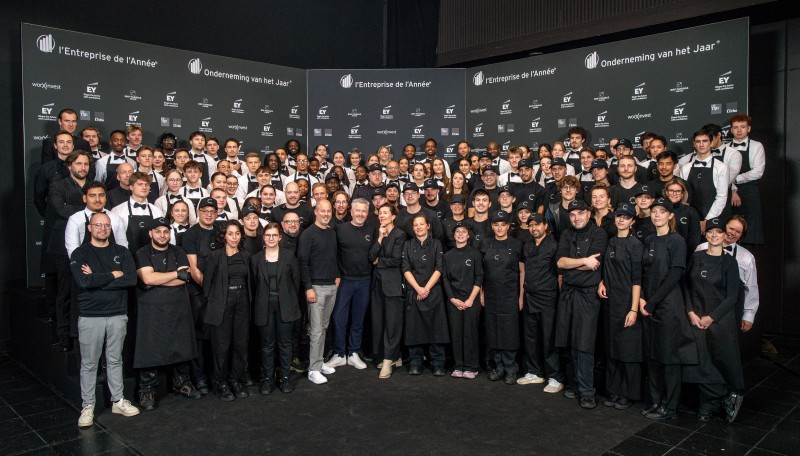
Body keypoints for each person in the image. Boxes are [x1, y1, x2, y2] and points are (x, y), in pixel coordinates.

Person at [71, 212, 140, 428]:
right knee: (89, 363)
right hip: (91, 315)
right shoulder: (80, 253)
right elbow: (83, 281)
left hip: (118, 313)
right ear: (89, 228)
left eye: (106, 225)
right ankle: (88, 406)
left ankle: (118, 400)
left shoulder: (122, 251)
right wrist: (112, 274)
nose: (102, 229)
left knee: (115, 359)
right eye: (98, 225)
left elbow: (131, 279)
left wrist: (97, 279)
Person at [639, 197, 697, 420]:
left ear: (670, 215)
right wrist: (642, 299)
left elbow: (675, 274)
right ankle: (655, 401)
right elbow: (643, 272)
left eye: (662, 211)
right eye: (654, 211)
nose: (656, 215)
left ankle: (670, 406)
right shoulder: (650, 239)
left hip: (668, 304)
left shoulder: (677, 240)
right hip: (649, 304)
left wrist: (653, 302)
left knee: (669, 358)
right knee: (653, 356)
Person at [134, 217, 200, 410]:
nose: (162, 235)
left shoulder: (178, 251)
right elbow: (147, 278)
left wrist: (159, 279)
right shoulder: (142, 253)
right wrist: (175, 274)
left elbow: (185, 277)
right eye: (158, 231)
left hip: (178, 306)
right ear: (151, 233)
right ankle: (147, 390)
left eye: (165, 232)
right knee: (150, 347)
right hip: (151, 309)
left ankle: (182, 383)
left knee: (182, 343)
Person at [683, 218, 744, 422]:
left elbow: (732, 296)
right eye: (710, 232)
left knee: (719, 361)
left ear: (724, 235)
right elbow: (686, 286)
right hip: (697, 318)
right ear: (705, 234)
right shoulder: (697, 257)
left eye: (718, 232)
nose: (714, 235)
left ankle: (718, 401)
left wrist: (712, 317)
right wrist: (690, 312)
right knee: (702, 363)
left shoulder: (730, 262)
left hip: (720, 321)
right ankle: (711, 403)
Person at [555, 199, 608, 409]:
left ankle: (587, 391)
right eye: (572, 214)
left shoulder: (599, 233)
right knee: (568, 340)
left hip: (588, 294)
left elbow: (594, 265)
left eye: (580, 213)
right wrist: (584, 261)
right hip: (568, 292)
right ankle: (574, 384)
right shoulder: (567, 234)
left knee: (584, 343)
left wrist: (576, 264)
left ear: (588, 213)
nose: (576, 218)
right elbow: (560, 262)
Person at [597, 203, 643, 410]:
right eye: (619, 216)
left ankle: (627, 393)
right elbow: (608, 268)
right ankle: (614, 390)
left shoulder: (635, 244)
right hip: (610, 303)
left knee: (628, 350)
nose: (621, 220)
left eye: (626, 217)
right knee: (612, 347)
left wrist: (633, 309)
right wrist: (602, 281)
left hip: (626, 302)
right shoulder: (612, 241)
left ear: (632, 221)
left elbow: (637, 279)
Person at [47, 151, 91, 351]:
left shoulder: (93, 185)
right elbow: (59, 209)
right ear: (69, 166)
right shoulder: (58, 185)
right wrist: (87, 209)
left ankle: (82, 335)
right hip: (63, 246)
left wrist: (72, 205)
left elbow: (99, 207)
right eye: (79, 164)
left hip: (89, 245)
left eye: (86, 164)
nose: (83, 167)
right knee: (65, 292)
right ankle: (63, 337)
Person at [203, 221, 252, 401]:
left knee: (240, 344)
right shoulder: (216, 256)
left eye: (237, 233)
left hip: (242, 303)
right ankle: (220, 382)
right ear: (224, 236)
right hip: (222, 304)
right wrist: (214, 304)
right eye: (230, 233)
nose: (234, 237)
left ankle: (236, 380)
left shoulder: (246, 255)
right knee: (221, 346)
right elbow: (207, 284)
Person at [251, 223, 301, 394]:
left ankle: (285, 378)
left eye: (274, 235)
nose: (271, 238)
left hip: (285, 305)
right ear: (263, 238)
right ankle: (267, 379)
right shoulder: (256, 259)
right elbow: (254, 284)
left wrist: (286, 298)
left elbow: (296, 282)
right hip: (264, 307)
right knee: (267, 345)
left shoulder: (289, 256)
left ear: (280, 237)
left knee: (285, 344)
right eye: (268, 235)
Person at [518, 213, 564, 392]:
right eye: (531, 225)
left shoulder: (554, 245)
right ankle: (534, 372)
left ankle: (555, 377)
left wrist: (560, 298)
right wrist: (521, 296)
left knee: (549, 339)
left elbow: (560, 275)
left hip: (548, 298)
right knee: (530, 338)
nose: (534, 228)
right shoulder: (527, 246)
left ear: (545, 226)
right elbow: (523, 272)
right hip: (529, 297)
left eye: (537, 224)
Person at [327, 199, 374, 370]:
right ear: (351, 212)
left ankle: (353, 352)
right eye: (357, 210)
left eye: (363, 211)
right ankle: (339, 353)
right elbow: (331, 254)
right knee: (338, 318)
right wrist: (336, 274)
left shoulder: (372, 231)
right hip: (344, 281)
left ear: (367, 213)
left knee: (358, 319)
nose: (360, 214)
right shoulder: (339, 229)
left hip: (364, 281)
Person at [298, 200, 340, 384]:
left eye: (328, 211)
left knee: (323, 328)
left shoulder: (331, 233)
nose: (326, 214)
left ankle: (319, 362)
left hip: (331, 286)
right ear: (316, 212)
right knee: (315, 331)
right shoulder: (308, 234)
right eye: (322, 211)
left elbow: (333, 257)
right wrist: (308, 287)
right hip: (315, 288)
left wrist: (337, 275)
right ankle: (313, 370)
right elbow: (303, 262)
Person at [482, 210, 525, 385]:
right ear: (492, 226)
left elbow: (522, 272)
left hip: (509, 294)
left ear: (508, 226)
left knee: (509, 331)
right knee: (493, 331)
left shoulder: (516, 244)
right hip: (491, 294)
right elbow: (481, 272)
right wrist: (482, 293)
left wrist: (521, 296)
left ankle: (511, 368)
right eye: (496, 225)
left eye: (503, 225)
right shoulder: (485, 243)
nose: (500, 228)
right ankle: (499, 367)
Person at [402, 214, 448, 376]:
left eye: (422, 224)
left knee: (437, 328)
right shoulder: (408, 245)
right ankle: (415, 362)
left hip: (433, 292)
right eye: (416, 225)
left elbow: (439, 268)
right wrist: (418, 289)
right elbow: (405, 268)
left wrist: (426, 289)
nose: (419, 227)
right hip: (414, 292)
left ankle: (438, 363)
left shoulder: (436, 244)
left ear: (428, 226)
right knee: (414, 329)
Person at [370, 205, 407, 378]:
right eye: (380, 213)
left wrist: (380, 261)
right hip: (377, 284)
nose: (382, 215)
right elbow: (371, 256)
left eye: (385, 213)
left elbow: (396, 260)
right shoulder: (378, 233)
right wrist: (379, 238)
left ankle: (388, 359)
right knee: (379, 321)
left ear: (393, 216)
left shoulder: (399, 234)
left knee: (392, 323)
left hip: (393, 284)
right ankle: (391, 356)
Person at [443, 225, 483, 379]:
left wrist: (471, 299)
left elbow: (479, 277)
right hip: (454, 300)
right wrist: (452, 299)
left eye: (463, 232)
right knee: (456, 333)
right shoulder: (448, 255)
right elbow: (445, 278)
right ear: (454, 236)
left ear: (468, 236)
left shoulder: (475, 254)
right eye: (457, 232)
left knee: (470, 333)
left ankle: (472, 367)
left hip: (471, 300)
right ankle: (459, 365)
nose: (460, 234)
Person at [679, 130, 730, 233]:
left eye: (705, 141)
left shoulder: (721, 167)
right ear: (694, 144)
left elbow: (722, 196)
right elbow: (683, 195)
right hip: (690, 218)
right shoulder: (685, 168)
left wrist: (707, 220)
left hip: (713, 219)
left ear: (711, 143)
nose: (701, 144)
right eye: (698, 141)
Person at [728, 114, 765, 245]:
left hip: (750, 192)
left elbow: (758, 172)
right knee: (729, 226)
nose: (739, 130)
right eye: (736, 127)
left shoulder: (756, 146)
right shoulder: (726, 148)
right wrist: (733, 190)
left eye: (742, 127)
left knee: (751, 230)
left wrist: (735, 179)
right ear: (731, 130)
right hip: (729, 192)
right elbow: (722, 173)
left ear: (748, 129)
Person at [664, 178, 701, 254]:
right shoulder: (660, 209)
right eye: (671, 190)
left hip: (683, 253)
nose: (674, 194)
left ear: (683, 194)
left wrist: (684, 254)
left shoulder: (690, 211)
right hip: (662, 252)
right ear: (666, 192)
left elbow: (694, 238)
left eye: (678, 191)